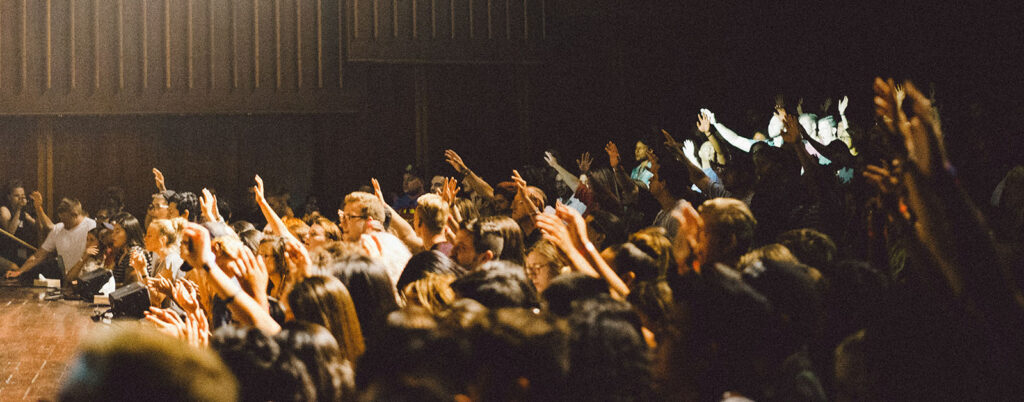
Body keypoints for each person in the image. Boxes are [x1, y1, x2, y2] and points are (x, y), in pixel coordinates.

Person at [6, 198, 96, 280]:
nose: (63, 223)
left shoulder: (92, 226)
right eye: (61, 219)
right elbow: (37, 256)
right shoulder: (58, 229)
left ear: (75, 215)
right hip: (68, 279)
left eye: (66, 220)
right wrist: (19, 271)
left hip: (90, 278)